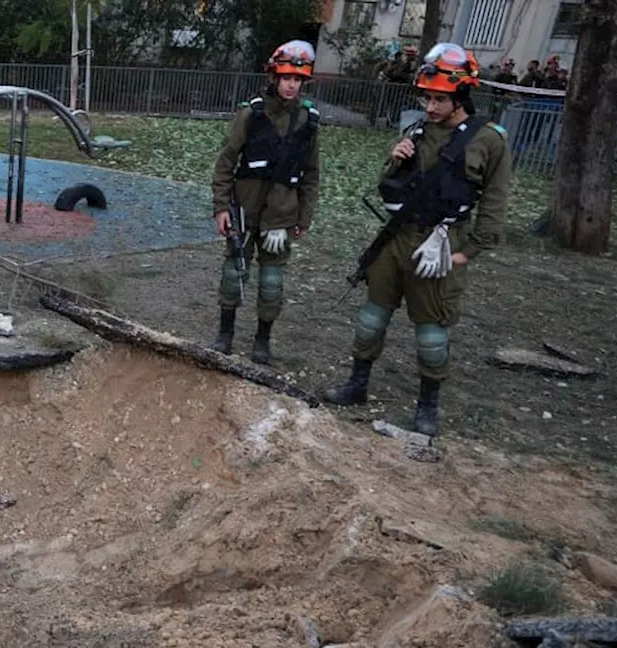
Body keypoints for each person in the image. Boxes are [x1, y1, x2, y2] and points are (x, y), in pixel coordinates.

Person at [322, 43, 512, 437]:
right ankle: (357, 384)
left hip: (443, 241)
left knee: (431, 330)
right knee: (371, 316)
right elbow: (386, 186)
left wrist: (465, 254)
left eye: (439, 99)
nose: (429, 106)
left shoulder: (489, 140)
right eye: (426, 97)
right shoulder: (418, 130)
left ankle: (428, 405)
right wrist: (395, 158)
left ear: (461, 96)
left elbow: (494, 204)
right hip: (398, 237)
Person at [207, 40, 322, 364]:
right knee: (233, 274)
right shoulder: (251, 114)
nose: (291, 84)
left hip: (281, 217)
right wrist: (220, 207)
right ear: (274, 77)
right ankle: (224, 335)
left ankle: (262, 341)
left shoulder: (309, 121)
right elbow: (226, 162)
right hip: (244, 210)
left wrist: (302, 218)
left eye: (297, 79)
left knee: (272, 283)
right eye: (286, 77)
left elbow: (312, 175)